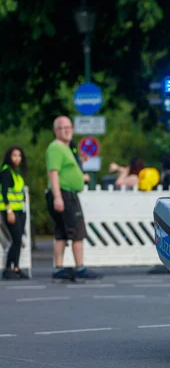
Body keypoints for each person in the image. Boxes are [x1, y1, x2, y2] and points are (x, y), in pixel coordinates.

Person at [46, 116, 102, 281]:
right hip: (65, 194)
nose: (68, 130)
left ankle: (59, 268)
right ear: (56, 130)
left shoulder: (67, 148)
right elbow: (53, 172)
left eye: (69, 127)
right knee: (77, 231)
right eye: (63, 127)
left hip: (66, 193)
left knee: (62, 233)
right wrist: (57, 197)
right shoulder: (56, 148)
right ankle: (80, 267)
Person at [0, 146, 28, 279]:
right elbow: (4, 192)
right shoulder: (6, 172)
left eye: (19, 156)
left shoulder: (16, 173)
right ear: (9, 157)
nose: (17, 158)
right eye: (14, 155)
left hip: (19, 210)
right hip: (10, 210)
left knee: (18, 239)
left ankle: (16, 267)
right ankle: (7, 268)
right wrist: (9, 210)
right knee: (16, 239)